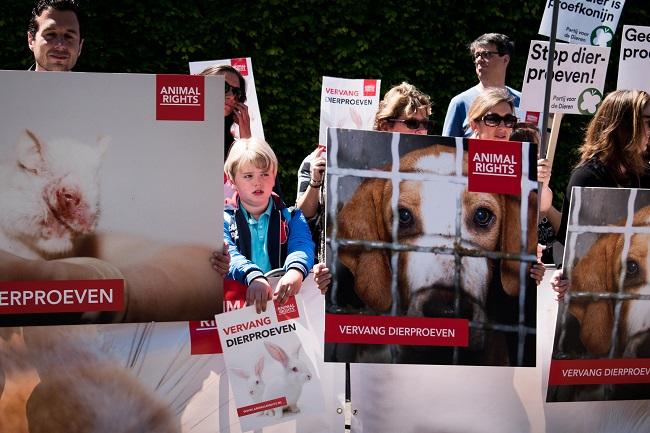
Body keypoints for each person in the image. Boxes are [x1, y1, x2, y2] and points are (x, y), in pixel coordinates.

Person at [551, 89, 650, 300]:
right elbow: (567, 238)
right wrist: (562, 270)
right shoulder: (586, 177)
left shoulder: (645, 174)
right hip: (597, 299)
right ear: (624, 125)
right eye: (648, 121)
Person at [223, 137, 316, 314]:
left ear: (274, 177)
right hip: (234, 315)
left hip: (283, 311)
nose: (258, 182)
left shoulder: (293, 216)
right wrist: (253, 276)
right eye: (248, 176)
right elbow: (230, 255)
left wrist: (295, 271)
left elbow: (302, 246)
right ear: (233, 181)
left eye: (265, 174)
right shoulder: (222, 220)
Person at [442, 33, 520, 138]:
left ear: (505, 60)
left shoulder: (523, 101)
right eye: (477, 55)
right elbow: (448, 150)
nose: (479, 60)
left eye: (487, 54)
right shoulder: (460, 102)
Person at [510, 122, 561, 264]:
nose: (539, 154)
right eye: (533, 147)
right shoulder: (506, 187)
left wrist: (543, 185)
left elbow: (545, 209)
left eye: (539, 147)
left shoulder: (539, 184)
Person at [27, 0, 83, 72]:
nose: (60, 45)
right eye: (50, 34)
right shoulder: (11, 83)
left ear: (80, 46)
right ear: (31, 40)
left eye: (68, 36)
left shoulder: (96, 83)